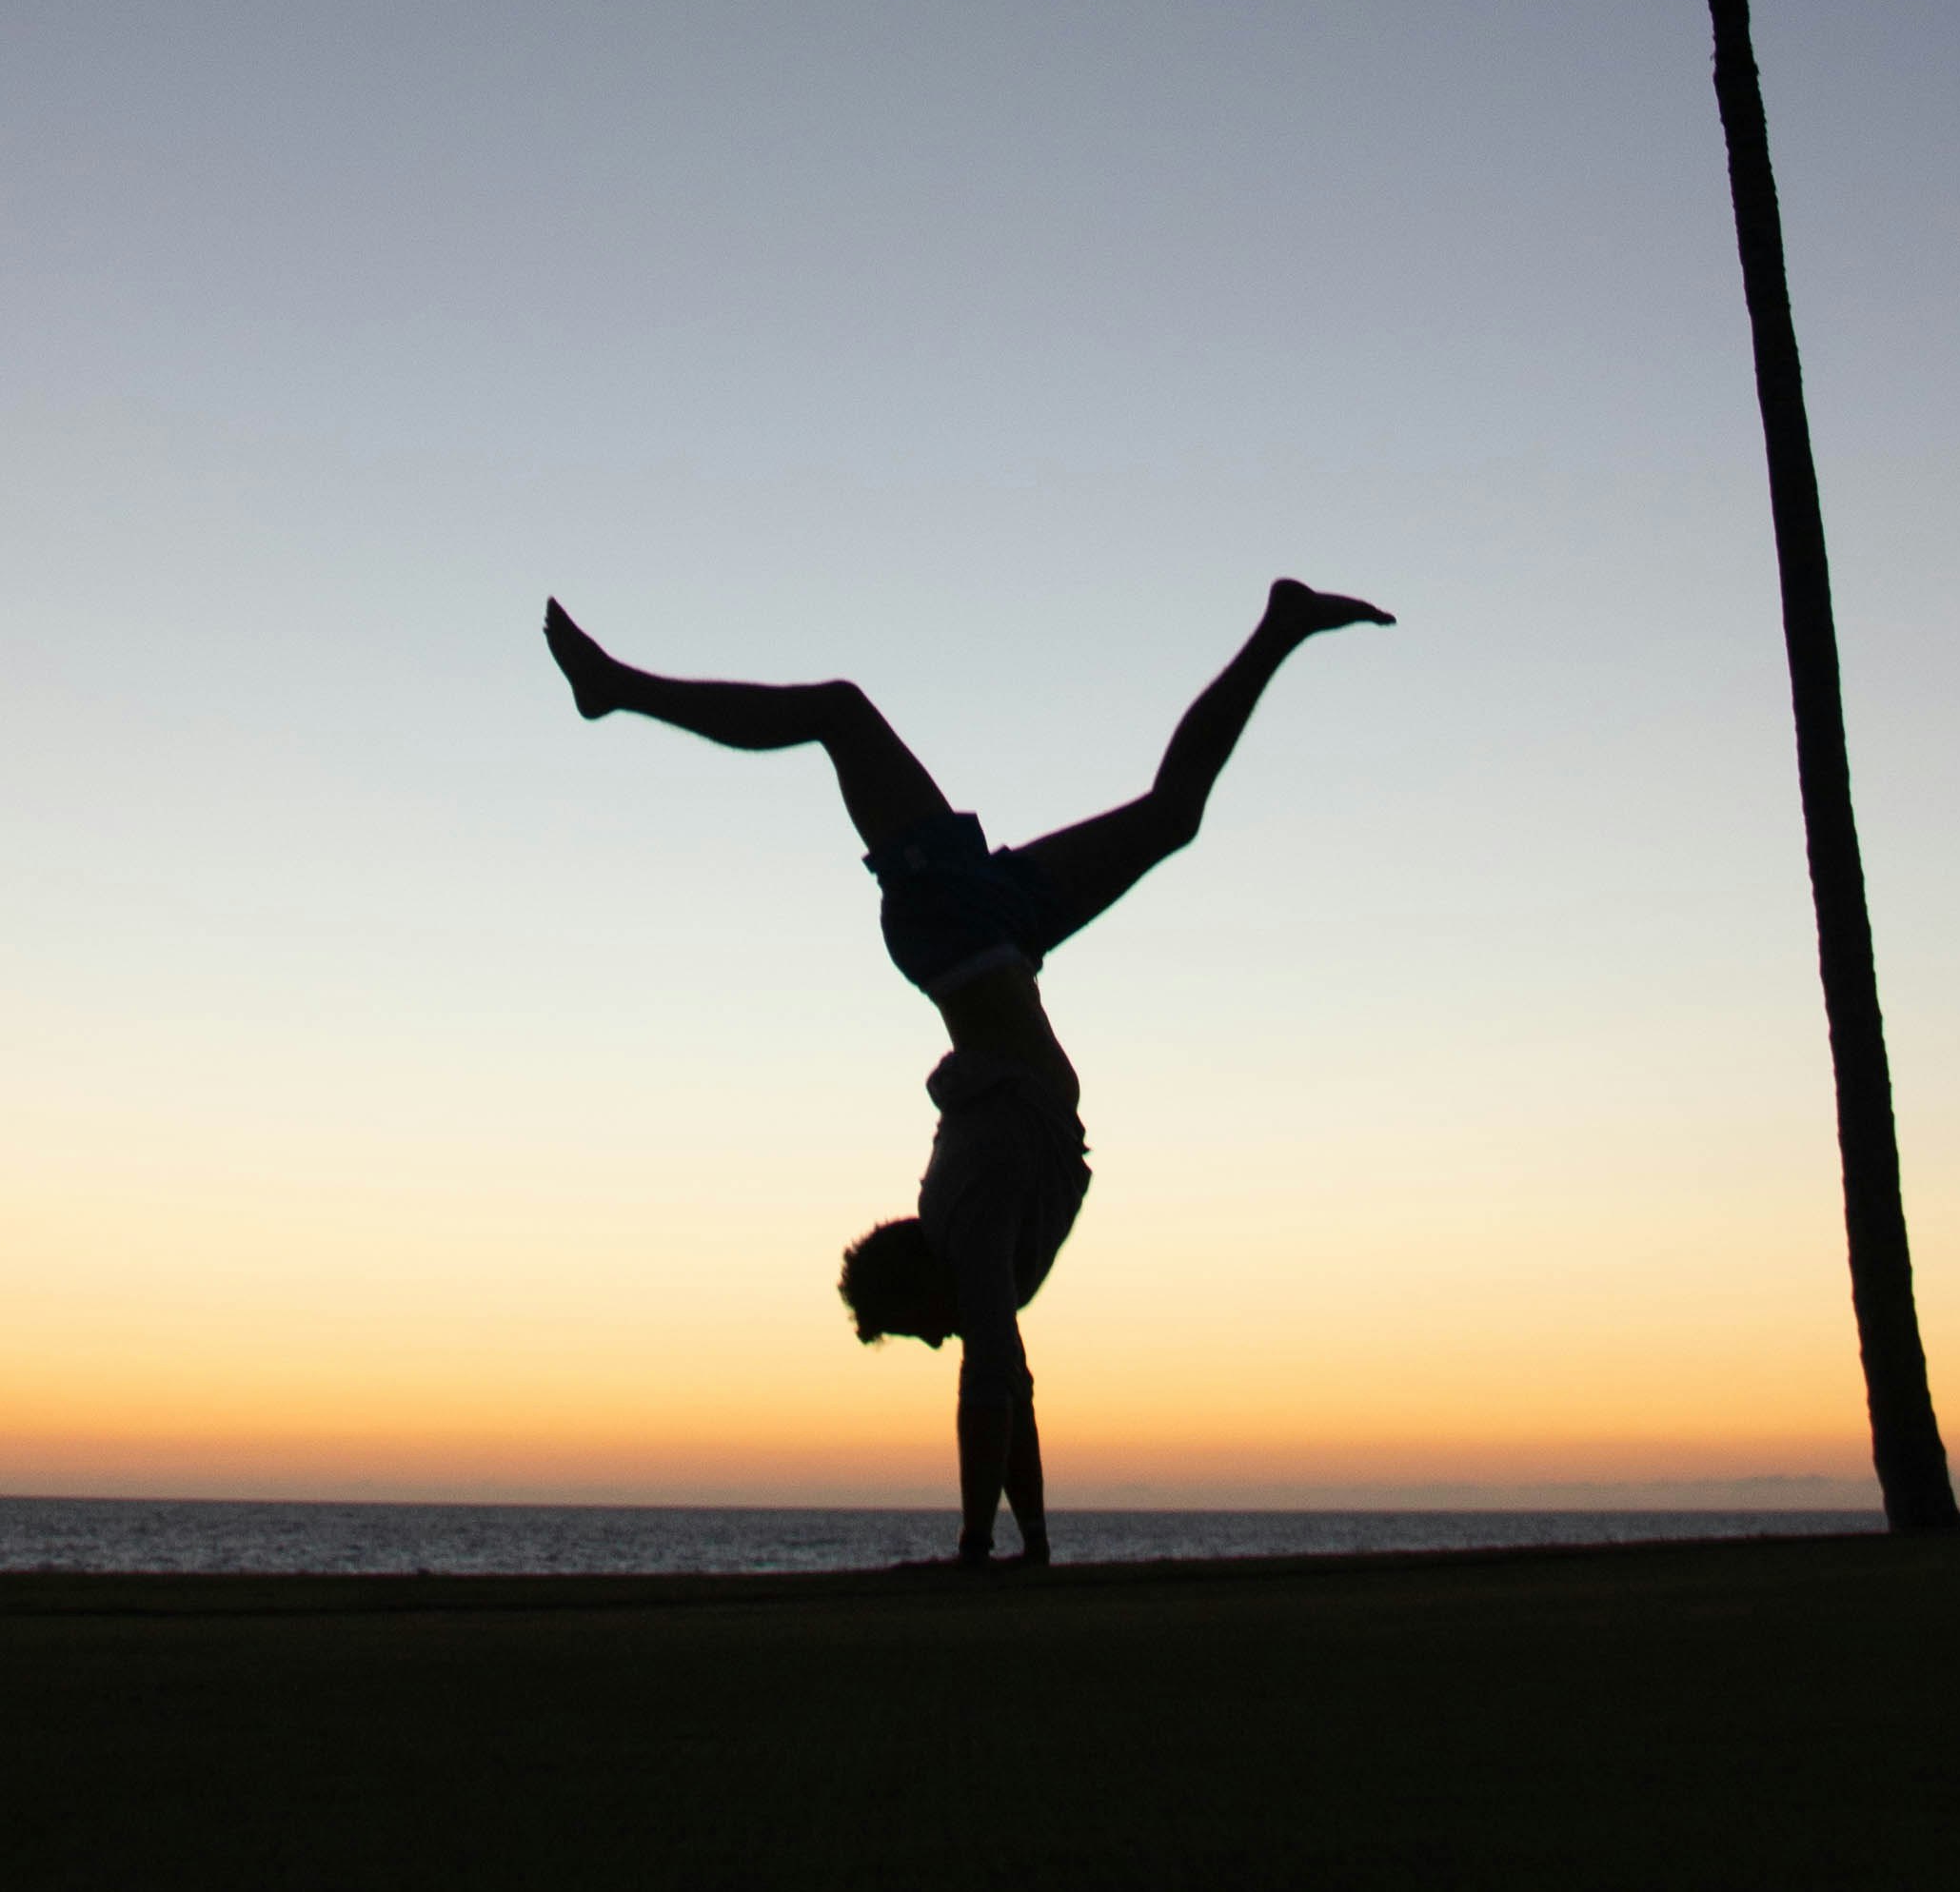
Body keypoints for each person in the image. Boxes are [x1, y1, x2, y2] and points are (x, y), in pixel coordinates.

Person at [541, 578, 1393, 1567]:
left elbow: (989, 1376)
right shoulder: (978, 1256)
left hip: (958, 928)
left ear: (926, 1291)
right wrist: (1028, 1541)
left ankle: (615, 688)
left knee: (837, 711)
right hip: (997, 932)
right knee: (1172, 814)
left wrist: (972, 1541)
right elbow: (1009, 1383)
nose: (938, 1345)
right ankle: (1279, 625)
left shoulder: (974, 1228)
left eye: (917, 1332)